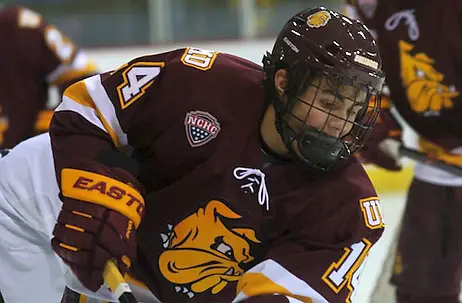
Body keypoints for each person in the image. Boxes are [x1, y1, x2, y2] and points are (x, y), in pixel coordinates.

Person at [0, 6, 385, 302]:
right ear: (285, 83)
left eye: (353, 110)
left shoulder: (346, 207)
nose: (341, 123)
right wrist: (98, 186)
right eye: (331, 100)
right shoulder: (197, 82)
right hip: (28, 212)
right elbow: (86, 110)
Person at [343, 1, 462, 302]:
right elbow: (367, 72)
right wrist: (372, 115)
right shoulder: (370, 5)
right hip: (438, 163)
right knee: (420, 294)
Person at [0, 5, 97, 149]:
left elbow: (22, 104)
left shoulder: (10, 34)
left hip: (84, 96)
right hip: (81, 89)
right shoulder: (11, 23)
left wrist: (8, 150)